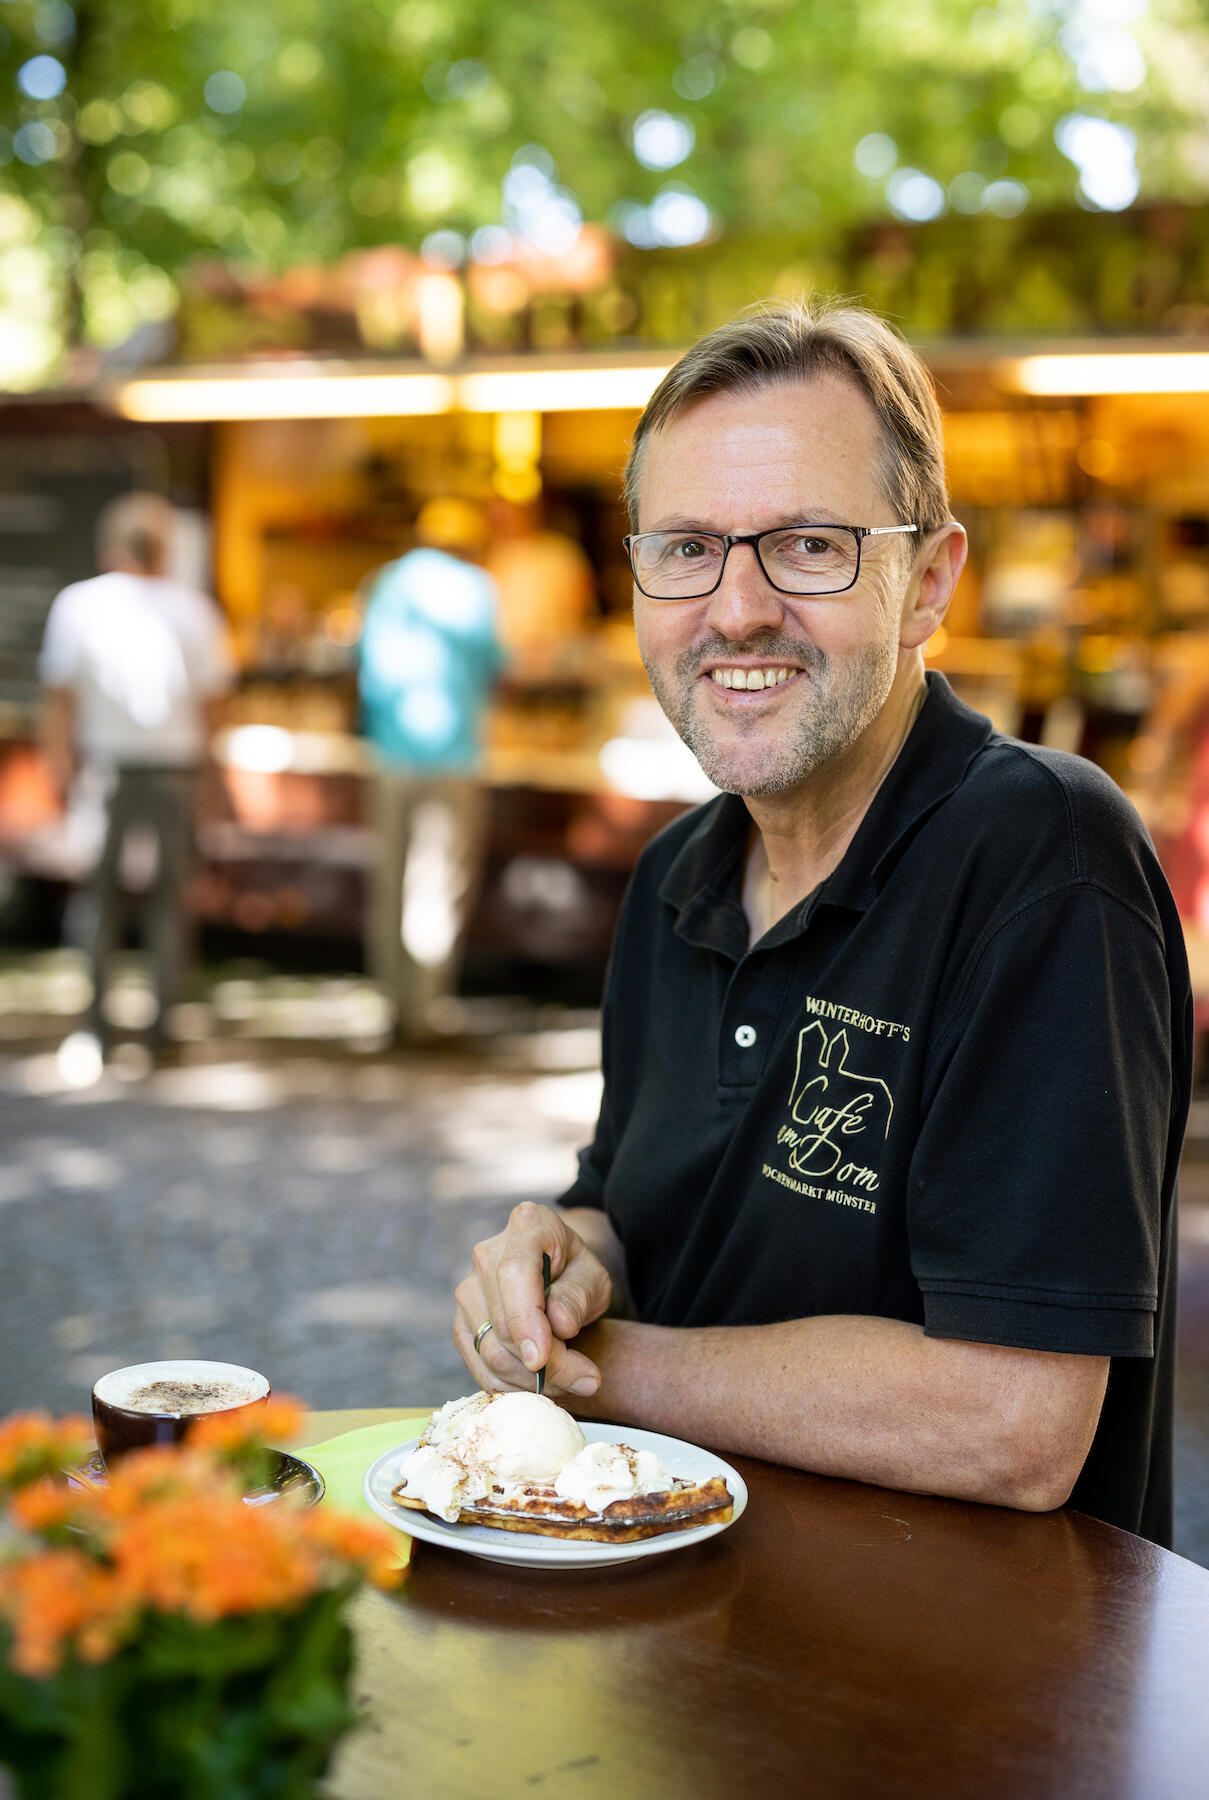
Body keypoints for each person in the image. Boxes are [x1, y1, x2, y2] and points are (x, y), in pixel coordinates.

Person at [454, 299, 1193, 1546]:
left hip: (964, 1717)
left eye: (807, 546)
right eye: (685, 548)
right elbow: (631, 1217)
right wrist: (556, 1268)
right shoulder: (674, 877)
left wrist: (603, 1374)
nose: (734, 610)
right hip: (678, 1679)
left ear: (929, 584)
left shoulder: (1043, 858)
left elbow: (1015, 1419)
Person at [38, 493, 232, 1051]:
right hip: (173, 771)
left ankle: (96, 1027)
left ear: (111, 548)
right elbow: (214, 708)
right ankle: (161, 1026)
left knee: (99, 900)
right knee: (168, 901)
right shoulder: (194, 610)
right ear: (167, 550)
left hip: (107, 770)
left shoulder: (80, 604)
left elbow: (58, 700)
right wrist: (215, 780)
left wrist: (61, 768)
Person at [359, 499, 504, 1041]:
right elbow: (497, 667)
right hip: (454, 754)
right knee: (437, 882)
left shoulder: (386, 584)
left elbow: (365, 672)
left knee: (390, 880)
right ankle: (425, 1010)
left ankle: (391, 1004)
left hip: (390, 753)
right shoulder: (476, 588)